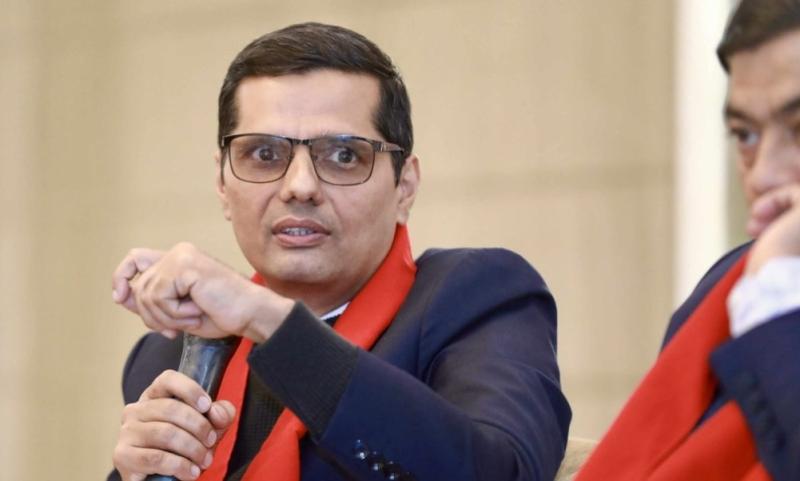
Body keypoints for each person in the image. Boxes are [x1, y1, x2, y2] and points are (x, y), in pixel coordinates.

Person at [107, 22, 571, 481]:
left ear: (405, 186)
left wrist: (267, 317)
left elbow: (502, 472)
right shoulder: (173, 353)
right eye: (264, 154)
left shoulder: (477, 298)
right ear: (222, 184)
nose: (300, 186)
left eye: (344, 155)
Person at [575, 1, 800, 480]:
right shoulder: (734, 283)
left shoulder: (767, 284)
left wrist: (777, 303)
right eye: (745, 135)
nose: (762, 175)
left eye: (799, 130)